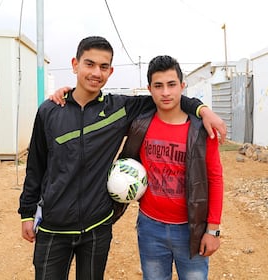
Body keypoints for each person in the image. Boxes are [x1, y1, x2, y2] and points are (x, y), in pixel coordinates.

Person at [18, 36, 225, 280]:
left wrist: (203, 110)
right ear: (75, 65)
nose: (96, 72)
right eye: (89, 64)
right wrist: (27, 213)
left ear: (110, 71)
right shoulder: (49, 111)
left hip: (97, 226)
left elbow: (169, 98)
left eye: (103, 67)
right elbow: (36, 165)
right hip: (54, 225)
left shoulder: (120, 109)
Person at [119, 55, 223, 279]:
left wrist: (212, 230)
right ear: (150, 89)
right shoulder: (140, 125)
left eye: (171, 84)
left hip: (191, 229)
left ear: (182, 86)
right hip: (150, 228)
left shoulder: (202, 129)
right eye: (158, 86)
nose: (165, 92)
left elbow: (214, 178)